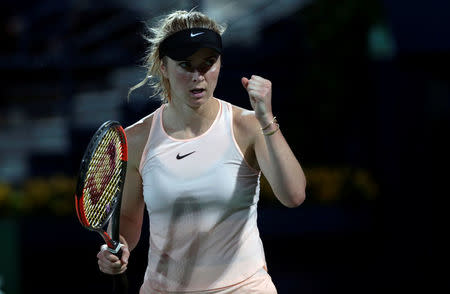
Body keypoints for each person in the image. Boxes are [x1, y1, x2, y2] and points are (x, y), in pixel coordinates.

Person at [97, 9, 306, 293]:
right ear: (163, 67)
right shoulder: (136, 139)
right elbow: (129, 223)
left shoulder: (248, 126)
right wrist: (117, 248)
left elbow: (294, 196)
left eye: (208, 63)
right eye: (186, 65)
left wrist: (267, 120)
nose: (199, 76)